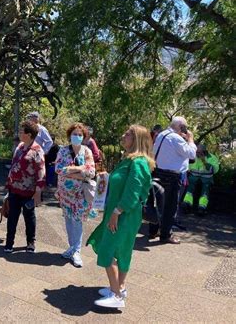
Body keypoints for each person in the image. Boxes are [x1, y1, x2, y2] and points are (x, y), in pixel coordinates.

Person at [87, 124, 154, 308]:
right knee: (121, 250)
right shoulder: (129, 160)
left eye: (128, 134)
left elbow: (133, 192)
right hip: (121, 213)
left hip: (123, 214)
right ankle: (119, 287)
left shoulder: (138, 162)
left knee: (108, 248)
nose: (123, 135)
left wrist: (117, 212)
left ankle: (116, 295)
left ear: (137, 140)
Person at [149, 116, 196, 244]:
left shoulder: (162, 134)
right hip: (171, 176)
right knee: (170, 207)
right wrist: (190, 140)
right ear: (181, 127)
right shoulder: (175, 138)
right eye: (184, 127)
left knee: (159, 204)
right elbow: (192, 154)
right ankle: (166, 235)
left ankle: (153, 231)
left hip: (158, 172)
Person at [55, 123, 96, 267]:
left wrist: (73, 169)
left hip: (80, 194)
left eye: (80, 135)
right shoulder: (63, 151)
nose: (77, 137)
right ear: (69, 135)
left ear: (83, 137)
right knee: (68, 220)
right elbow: (59, 169)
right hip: (65, 193)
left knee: (77, 220)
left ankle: (76, 251)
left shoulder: (87, 151)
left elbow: (91, 172)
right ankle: (72, 247)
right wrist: (80, 171)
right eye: (74, 134)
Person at [4, 121, 46, 253]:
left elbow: (41, 171)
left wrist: (38, 191)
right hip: (14, 189)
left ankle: (30, 242)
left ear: (29, 134)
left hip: (29, 191)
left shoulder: (37, 150)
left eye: (22, 131)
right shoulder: (20, 147)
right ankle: (9, 242)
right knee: (12, 216)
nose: (19, 133)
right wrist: (8, 185)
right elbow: (13, 165)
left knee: (29, 217)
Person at [182, 144, 219, 215]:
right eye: (196, 152)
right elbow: (187, 167)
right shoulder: (193, 157)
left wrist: (203, 160)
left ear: (205, 152)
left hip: (206, 178)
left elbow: (214, 170)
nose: (197, 154)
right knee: (190, 186)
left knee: (205, 189)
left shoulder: (212, 158)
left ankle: (202, 207)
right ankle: (187, 204)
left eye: (199, 152)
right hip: (194, 176)